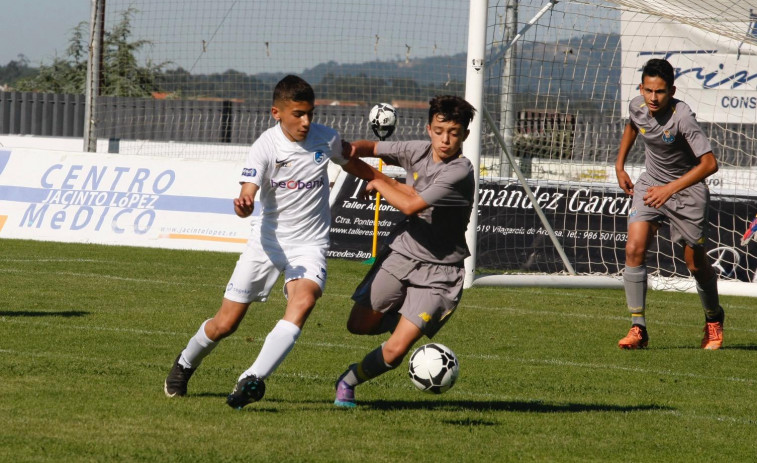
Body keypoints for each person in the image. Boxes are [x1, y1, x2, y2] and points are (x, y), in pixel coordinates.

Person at [164, 75, 386, 408]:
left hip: (309, 245)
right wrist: (245, 204)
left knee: (305, 300)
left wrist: (381, 181)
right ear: (276, 113)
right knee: (226, 323)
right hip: (267, 244)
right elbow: (247, 194)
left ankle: (251, 379)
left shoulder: (326, 139)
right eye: (298, 114)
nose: (306, 121)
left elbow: (350, 162)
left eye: (310, 112)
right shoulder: (265, 147)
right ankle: (184, 363)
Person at [333, 95, 476, 407]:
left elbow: (411, 203)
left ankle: (348, 381)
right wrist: (345, 150)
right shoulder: (416, 150)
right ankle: (404, 315)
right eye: (439, 131)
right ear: (429, 128)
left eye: (453, 132)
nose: (445, 139)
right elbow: (369, 149)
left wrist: (381, 183)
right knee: (358, 325)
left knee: (396, 350)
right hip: (403, 254)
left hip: (441, 272)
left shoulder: (460, 172)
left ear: (465, 134)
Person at [615, 58, 724, 350]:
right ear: (641, 87)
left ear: (671, 90)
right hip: (651, 186)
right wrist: (620, 165)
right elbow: (632, 128)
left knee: (694, 263)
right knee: (634, 248)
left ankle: (713, 318)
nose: (653, 98)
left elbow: (710, 163)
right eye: (648, 90)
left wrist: (670, 190)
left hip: (686, 191)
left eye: (660, 92)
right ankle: (638, 327)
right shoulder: (637, 106)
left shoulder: (683, 116)